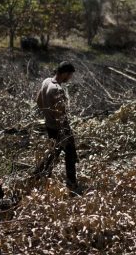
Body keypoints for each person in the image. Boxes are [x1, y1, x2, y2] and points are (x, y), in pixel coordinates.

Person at [32, 61, 81, 194]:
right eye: (69, 75)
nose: (70, 78)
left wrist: (48, 115)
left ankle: (39, 175)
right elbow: (61, 117)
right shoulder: (57, 90)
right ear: (64, 73)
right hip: (60, 128)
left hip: (49, 126)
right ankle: (72, 184)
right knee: (70, 155)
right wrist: (65, 135)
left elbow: (38, 101)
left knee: (53, 153)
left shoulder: (46, 81)